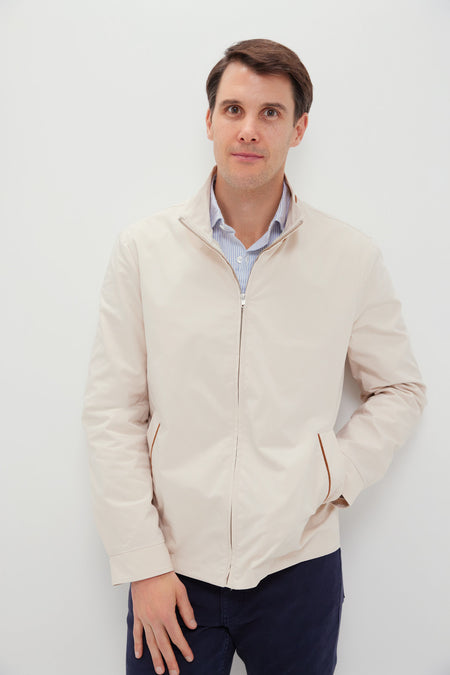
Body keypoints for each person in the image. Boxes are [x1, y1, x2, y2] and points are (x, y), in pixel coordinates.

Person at [81, 38, 427, 675]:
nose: (248, 129)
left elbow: (400, 389)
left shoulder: (349, 257)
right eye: (234, 109)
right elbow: (112, 413)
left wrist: (331, 472)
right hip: (172, 570)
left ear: (298, 129)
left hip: (298, 568)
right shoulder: (143, 251)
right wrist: (142, 563)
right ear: (209, 120)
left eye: (271, 112)